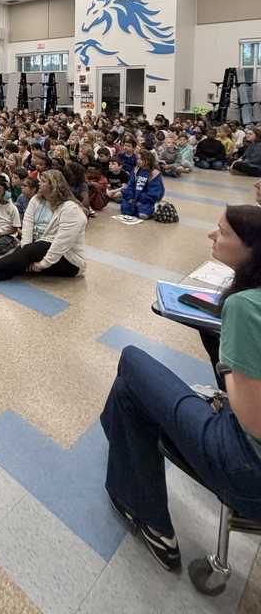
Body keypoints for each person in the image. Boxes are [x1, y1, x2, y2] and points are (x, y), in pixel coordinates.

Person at [101, 206, 261, 572]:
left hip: (245, 466)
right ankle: (150, 518)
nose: (211, 236)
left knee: (130, 360)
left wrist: (228, 368)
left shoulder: (244, 305)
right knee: (130, 396)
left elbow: (253, 420)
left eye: (221, 232)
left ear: (251, 247)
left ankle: (123, 456)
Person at [0, 170, 87, 287]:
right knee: (21, 255)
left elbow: (62, 241)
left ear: (54, 185)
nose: (39, 183)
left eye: (43, 181)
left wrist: (43, 264)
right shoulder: (37, 199)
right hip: (47, 247)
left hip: (71, 261)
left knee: (35, 249)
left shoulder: (71, 209)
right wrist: (26, 249)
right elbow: (28, 224)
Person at [120, 149, 164, 219]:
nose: (139, 161)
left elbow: (154, 191)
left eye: (142, 159)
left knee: (143, 215)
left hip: (145, 199)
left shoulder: (154, 173)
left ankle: (148, 209)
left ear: (149, 160)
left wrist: (141, 200)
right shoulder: (136, 169)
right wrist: (130, 197)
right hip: (134, 197)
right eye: (138, 159)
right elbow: (130, 185)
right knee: (124, 208)